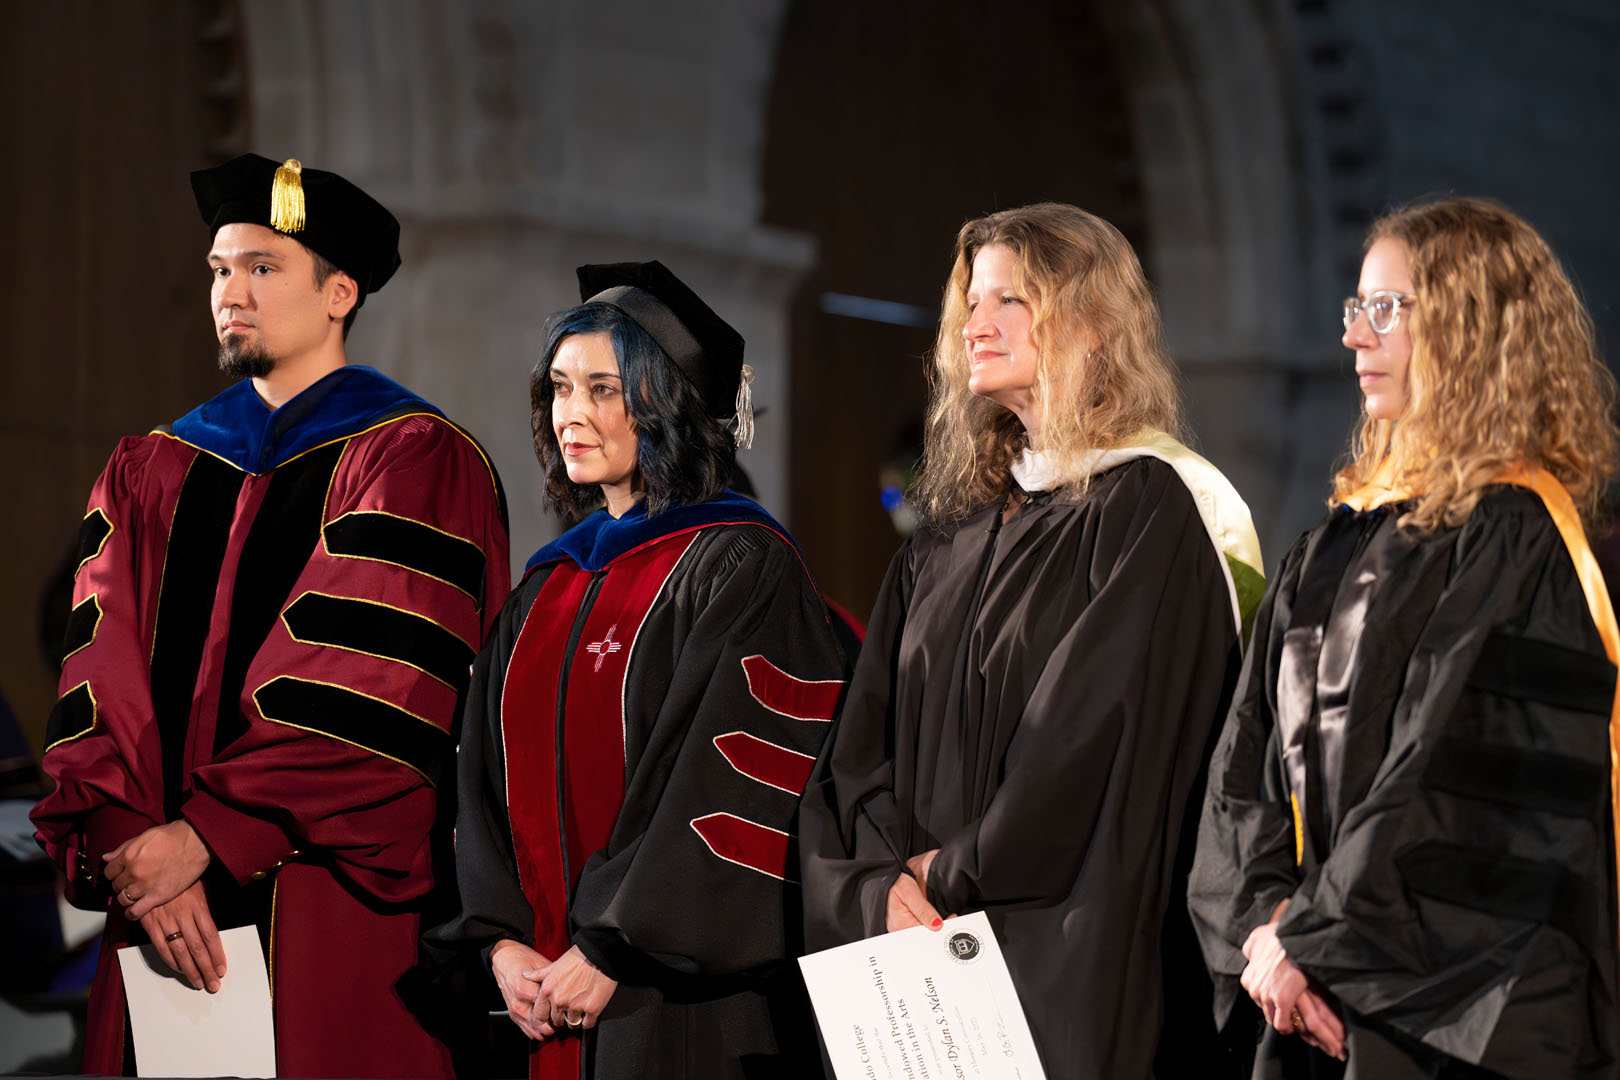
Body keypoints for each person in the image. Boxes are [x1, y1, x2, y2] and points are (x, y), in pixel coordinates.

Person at [30, 153, 510, 1078]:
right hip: (154, 916)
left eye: (262, 268)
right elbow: (97, 683)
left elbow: (369, 690)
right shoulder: (151, 469)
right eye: (220, 269)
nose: (232, 294)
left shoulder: (413, 460)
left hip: (323, 905)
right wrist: (131, 844)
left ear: (339, 293)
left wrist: (205, 839)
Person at [800, 202, 1264, 1078]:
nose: (975, 324)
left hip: (1056, 967)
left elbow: (1084, 748)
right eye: (971, 303)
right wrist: (873, 888)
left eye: (1009, 300)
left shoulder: (1149, 512)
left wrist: (949, 874)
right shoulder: (947, 534)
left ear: (1091, 326)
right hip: (914, 973)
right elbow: (859, 747)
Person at [1189, 197, 1620, 1078]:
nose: (1355, 336)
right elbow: (1245, 767)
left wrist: (1312, 936)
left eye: (1386, 308)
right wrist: (1263, 928)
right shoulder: (1334, 541)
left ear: (1472, 331)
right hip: (1308, 997)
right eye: (1356, 308)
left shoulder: (1519, 535)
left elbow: (1451, 770)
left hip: (1463, 1015)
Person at [430, 260, 849, 1080]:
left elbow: (734, 788)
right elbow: (478, 784)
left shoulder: (741, 566)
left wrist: (618, 941)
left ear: (669, 405)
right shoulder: (546, 587)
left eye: (604, 390)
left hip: (675, 1005)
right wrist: (500, 943)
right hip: (536, 1000)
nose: (571, 416)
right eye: (558, 388)